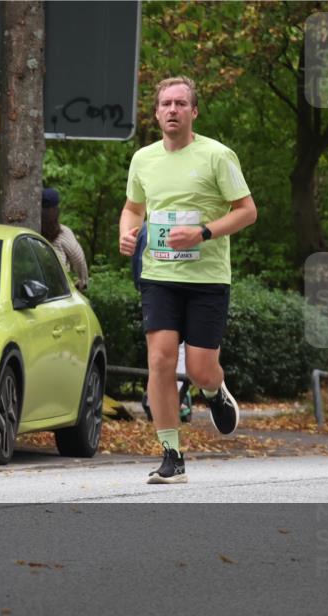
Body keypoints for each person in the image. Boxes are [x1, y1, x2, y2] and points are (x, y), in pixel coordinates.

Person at [118, 75, 256, 484]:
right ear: (156, 113)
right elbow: (133, 207)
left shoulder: (217, 156)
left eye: (180, 103)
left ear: (193, 111)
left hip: (207, 278)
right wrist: (127, 232)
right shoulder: (143, 159)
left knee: (199, 369)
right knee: (160, 359)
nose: (173, 110)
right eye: (166, 104)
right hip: (158, 274)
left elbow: (247, 211)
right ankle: (171, 455)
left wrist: (203, 232)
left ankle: (214, 390)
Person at [132, 224, 193, 423]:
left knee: (165, 351)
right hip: (161, 290)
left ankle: (168, 397)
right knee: (165, 351)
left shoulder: (149, 227)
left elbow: (137, 262)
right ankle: (170, 398)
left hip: (167, 291)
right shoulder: (151, 228)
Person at [40, 187, 88, 290]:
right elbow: (78, 258)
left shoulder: (30, 230)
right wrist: (82, 281)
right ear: (57, 210)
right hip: (57, 288)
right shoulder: (63, 232)